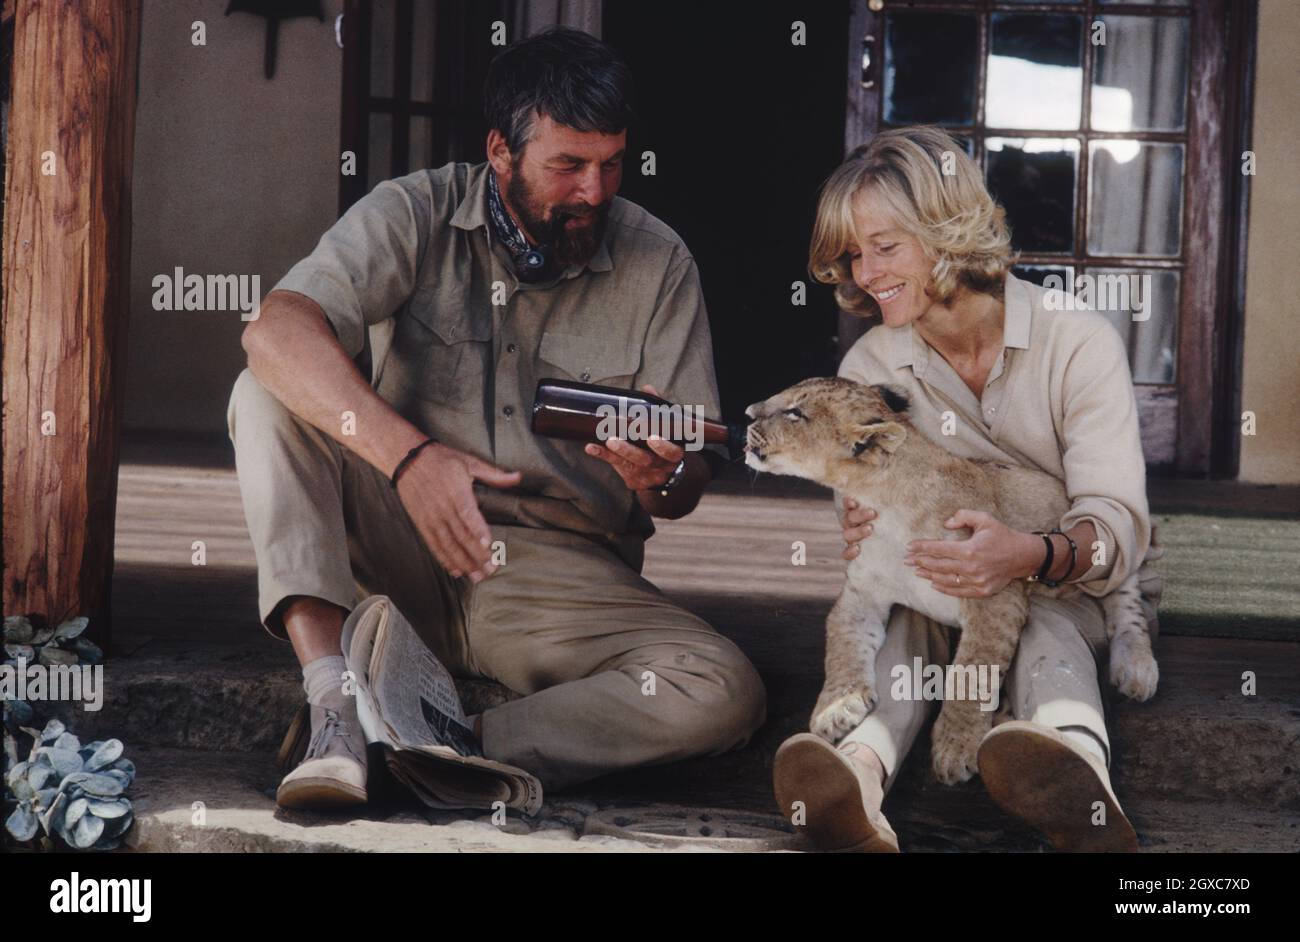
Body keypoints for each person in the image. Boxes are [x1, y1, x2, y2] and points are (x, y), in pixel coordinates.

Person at [229, 27, 765, 810]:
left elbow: (683, 489)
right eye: (568, 165)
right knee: (265, 393)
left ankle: (452, 746)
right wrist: (411, 461)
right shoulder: (414, 211)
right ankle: (336, 712)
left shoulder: (662, 262)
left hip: (556, 578)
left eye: (611, 163)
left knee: (725, 687)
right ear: (501, 151)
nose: (595, 189)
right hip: (398, 547)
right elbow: (273, 331)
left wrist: (665, 475)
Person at [772, 126, 1163, 852]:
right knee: (919, 593)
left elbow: (1114, 521)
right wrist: (857, 521)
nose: (866, 272)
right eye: (854, 253)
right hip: (941, 573)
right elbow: (862, 511)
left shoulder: (1076, 341)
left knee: (1043, 619)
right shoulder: (871, 363)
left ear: (948, 233)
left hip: (1060, 574)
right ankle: (855, 777)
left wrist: (1025, 553)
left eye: (885, 247)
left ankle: (1075, 765)